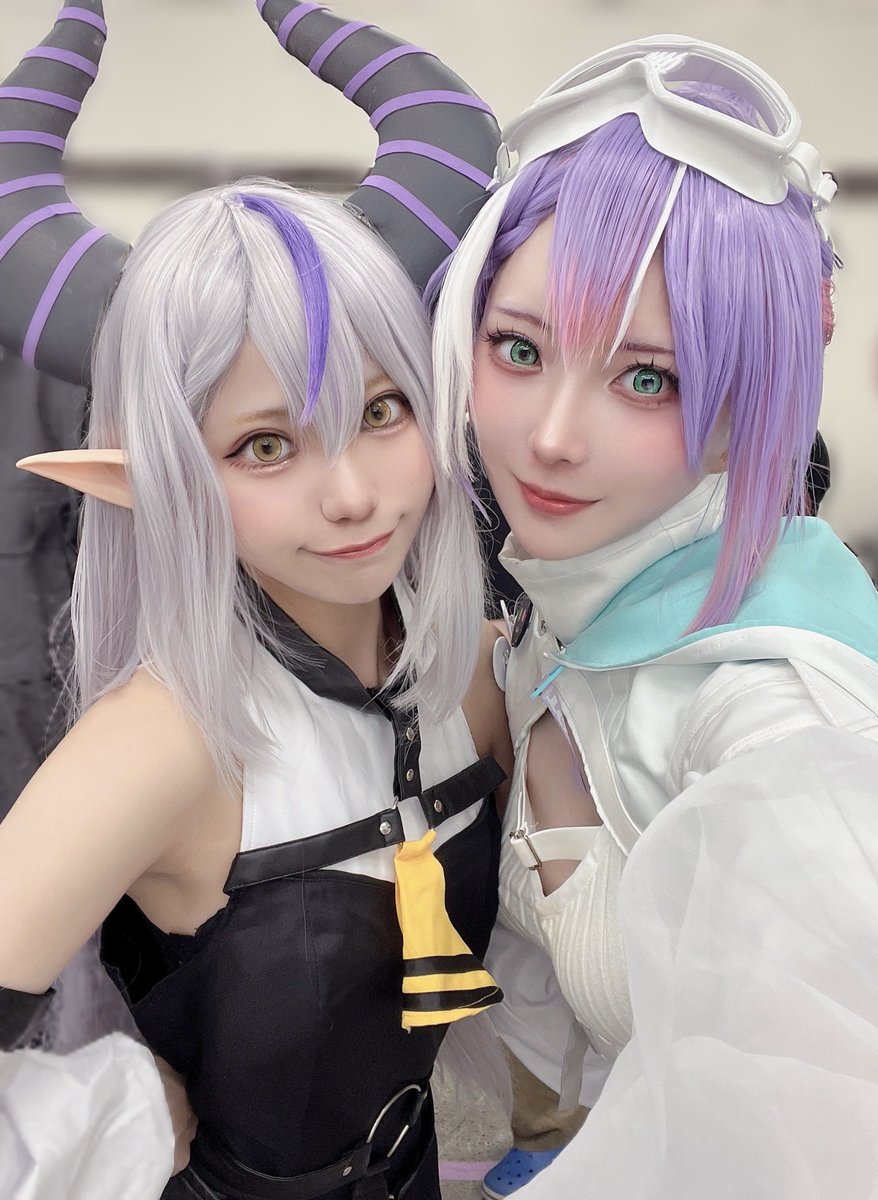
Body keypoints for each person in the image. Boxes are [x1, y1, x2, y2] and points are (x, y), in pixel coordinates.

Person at [0, 4, 512, 1198]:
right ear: (156, 478)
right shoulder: (159, 743)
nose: (353, 495)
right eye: (267, 445)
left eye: (380, 412)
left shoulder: (476, 668)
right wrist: (116, 1112)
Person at [430, 35, 878, 1195]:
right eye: (519, 349)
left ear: (751, 402)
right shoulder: (562, 606)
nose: (551, 436)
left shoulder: (775, 711)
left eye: (649, 378)